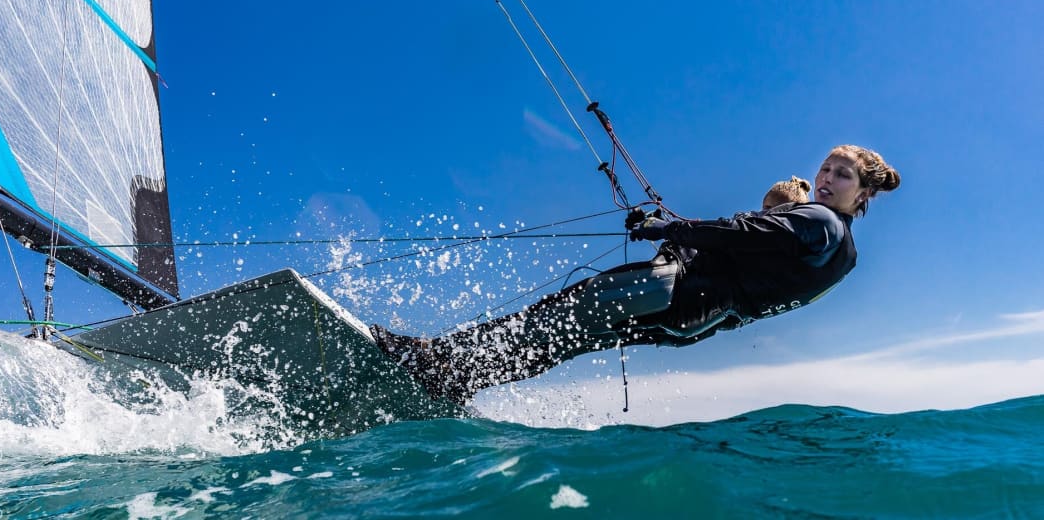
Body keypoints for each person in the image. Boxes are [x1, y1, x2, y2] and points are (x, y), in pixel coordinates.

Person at [371, 144, 901, 404]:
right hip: (692, 324)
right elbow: (760, 274)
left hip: (672, 287)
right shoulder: (845, 257)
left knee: (555, 315)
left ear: (865, 191)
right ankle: (460, 377)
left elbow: (740, 233)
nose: (826, 178)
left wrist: (665, 228)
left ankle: (434, 360)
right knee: (565, 341)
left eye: (842, 174)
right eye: (826, 168)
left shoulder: (817, 220)